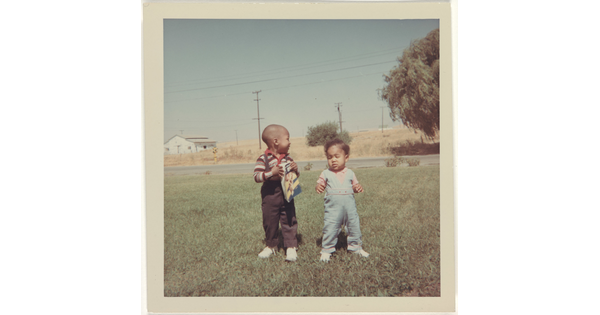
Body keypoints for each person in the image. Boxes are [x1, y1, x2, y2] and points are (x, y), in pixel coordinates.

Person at [315, 138, 369, 262]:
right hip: (333, 209)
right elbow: (319, 184)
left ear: (346, 158)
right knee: (330, 228)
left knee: (354, 226)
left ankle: (356, 248)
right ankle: (327, 250)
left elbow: (355, 185)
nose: (333, 160)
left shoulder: (350, 173)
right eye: (329, 157)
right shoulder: (325, 173)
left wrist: (357, 187)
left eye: (337, 156)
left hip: (350, 209)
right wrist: (319, 186)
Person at [253, 124, 300, 262]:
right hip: (270, 194)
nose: (290, 142)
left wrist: (296, 170)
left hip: (287, 192)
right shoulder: (264, 158)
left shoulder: (288, 158)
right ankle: (271, 245)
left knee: (289, 218)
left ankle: (291, 246)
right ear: (276, 141)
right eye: (287, 139)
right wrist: (271, 173)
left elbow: (295, 176)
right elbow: (256, 176)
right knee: (270, 220)